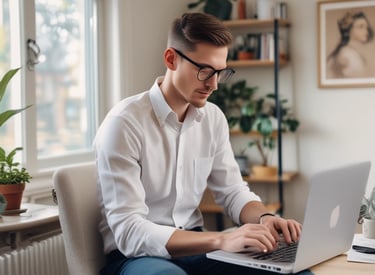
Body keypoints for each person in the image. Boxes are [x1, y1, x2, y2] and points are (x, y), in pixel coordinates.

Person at [94, 12, 302, 275]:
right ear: (171, 59)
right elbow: (129, 231)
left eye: (220, 72)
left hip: (195, 247)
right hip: (136, 256)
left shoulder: (213, 118)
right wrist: (221, 239)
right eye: (204, 71)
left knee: (292, 270)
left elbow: (233, 192)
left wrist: (266, 218)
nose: (214, 85)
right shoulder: (124, 123)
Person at [327, 11, 374, 79]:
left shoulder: (353, 53)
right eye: (361, 27)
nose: (366, 31)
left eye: (366, 27)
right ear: (349, 30)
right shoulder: (346, 54)